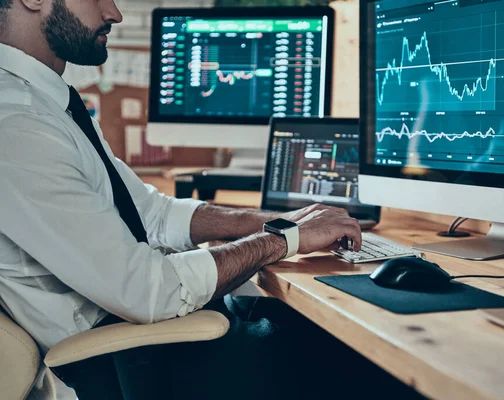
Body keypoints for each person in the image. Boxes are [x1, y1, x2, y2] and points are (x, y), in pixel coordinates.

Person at [0, 0, 423, 399]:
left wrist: (284, 219)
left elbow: (151, 213)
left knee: (308, 325)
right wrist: (284, 237)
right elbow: (147, 291)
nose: (115, 12)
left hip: (160, 337)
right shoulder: (17, 122)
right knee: (381, 369)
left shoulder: (47, 105)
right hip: (140, 360)